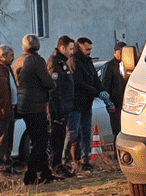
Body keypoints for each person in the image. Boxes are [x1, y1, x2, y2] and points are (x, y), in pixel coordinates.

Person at [13, 34, 57, 185]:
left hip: (23, 105)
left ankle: (45, 173)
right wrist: (53, 83)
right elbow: (47, 82)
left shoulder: (18, 60)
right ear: (38, 46)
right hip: (36, 105)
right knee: (41, 141)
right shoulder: (36, 60)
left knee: (37, 139)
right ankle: (30, 175)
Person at [66, 37, 102, 171]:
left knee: (86, 133)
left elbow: (95, 79)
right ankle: (66, 160)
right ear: (80, 47)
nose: (89, 51)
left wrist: (102, 91)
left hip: (87, 104)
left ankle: (84, 160)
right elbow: (78, 82)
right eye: (87, 49)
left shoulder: (88, 61)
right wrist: (95, 91)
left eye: (90, 49)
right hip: (75, 104)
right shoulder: (73, 61)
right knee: (73, 133)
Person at [48, 36, 76, 177]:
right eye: (70, 49)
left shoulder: (62, 62)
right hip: (57, 109)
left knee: (61, 137)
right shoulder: (54, 63)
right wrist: (58, 110)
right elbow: (54, 89)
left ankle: (58, 165)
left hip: (64, 106)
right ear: (62, 48)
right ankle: (55, 167)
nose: (72, 52)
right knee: (56, 139)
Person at [0, 44, 18, 172]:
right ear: (3, 55)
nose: (13, 58)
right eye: (11, 55)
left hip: (10, 109)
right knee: (1, 139)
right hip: (0, 111)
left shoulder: (8, 69)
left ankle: (8, 165)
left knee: (9, 139)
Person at [100, 41, 130, 132]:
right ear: (115, 53)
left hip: (126, 104)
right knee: (117, 129)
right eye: (120, 53)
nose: (122, 56)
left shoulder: (129, 65)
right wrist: (109, 103)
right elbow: (105, 86)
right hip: (115, 104)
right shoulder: (109, 66)